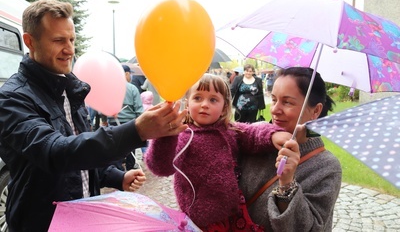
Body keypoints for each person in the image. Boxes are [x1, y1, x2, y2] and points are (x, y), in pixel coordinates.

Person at [0, 0, 188, 232]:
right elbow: (57, 152)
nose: (69, 49)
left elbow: (81, 154)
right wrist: (136, 131)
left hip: (85, 220)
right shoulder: (11, 98)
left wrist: (117, 177)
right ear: (30, 41)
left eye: (71, 39)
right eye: (58, 40)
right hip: (42, 224)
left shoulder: (70, 89)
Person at [145, 73, 299, 231]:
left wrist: (273, 134)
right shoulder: (184, 136)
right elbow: (161, 167)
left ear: (224, 106)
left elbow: (253, 133)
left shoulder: (228, 129)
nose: (205, 104)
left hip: (233, 212)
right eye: (198, 98)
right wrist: (165, 137)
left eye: (213, 100)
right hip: (202, 219)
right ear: (187, 103)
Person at [239, 67, 342, 231]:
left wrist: (287, 184)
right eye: (273, 100)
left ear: (315, 110)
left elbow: (313, 228)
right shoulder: (255, 136)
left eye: (287, 102)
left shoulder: (326, 167)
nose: (274, 109)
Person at [107, 64, 144, 171]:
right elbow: (138, 109)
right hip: (130, 123)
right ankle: (130, 169)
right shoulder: (132, 88)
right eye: (130, 74)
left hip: (113, 123)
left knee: (117, 148)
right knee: (130, 148)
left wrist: (105, 120)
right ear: (126, 74)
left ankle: (118, 170)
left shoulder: (109, 88)